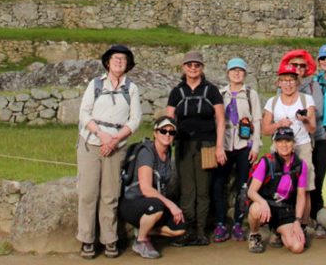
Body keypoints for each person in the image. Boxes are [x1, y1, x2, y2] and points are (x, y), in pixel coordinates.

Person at [76, 44, 142, 259]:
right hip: (92, 144)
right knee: (87, 193)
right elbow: (84, 114)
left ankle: (109, 238)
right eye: (115, 58)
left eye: (123, 59)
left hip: (116, 146)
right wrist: (102, 135)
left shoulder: (131, 88)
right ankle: (87, 238)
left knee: (110, 195)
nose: (119, 62)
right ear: (107, 62)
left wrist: (115, 139)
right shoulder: (95, 85)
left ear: (127, 64)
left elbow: (135, 119)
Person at [166, 51, 227, 246]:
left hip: (207, 144)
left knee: (203, 189)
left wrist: (219, 147)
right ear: (183, 67)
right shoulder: (177, 92)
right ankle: (188, 229)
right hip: (183, 145)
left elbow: (220, 120)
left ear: (202, 67)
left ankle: (201, 231)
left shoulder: (211, 91)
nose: (193, 68)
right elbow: (169, 121)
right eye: (190, 65)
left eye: (197, 65)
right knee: (187, 189)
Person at [119, 116, 186, 259]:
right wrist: (171, 205)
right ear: (155, 133)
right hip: (133, 201)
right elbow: (146, 188)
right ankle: (141, 241)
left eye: (171, 132)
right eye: (163, 131)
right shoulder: (146, 153)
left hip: (152, 203)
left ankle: (145, 229)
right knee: (157, 206)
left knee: (180, 227)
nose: (167, 135)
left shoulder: (167, 153)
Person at [261, 63, 316, 239]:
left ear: (297, 82)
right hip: (280, 145)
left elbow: (313, 128)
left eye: (291, 80)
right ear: (279, 83)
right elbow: (265, 130)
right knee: (277, 186)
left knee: (305, 188)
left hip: (302, 144)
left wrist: (305, 119)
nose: (288, 84)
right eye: (284, 80)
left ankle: (303, 225)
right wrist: (279, 124)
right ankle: (279, 225)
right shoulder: (273, 102)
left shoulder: (307, 100)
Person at [211, 57, 262, 242]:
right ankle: (220, 222)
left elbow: (257, 120)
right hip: (224, 145)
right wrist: (218, 147)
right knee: (218, 184)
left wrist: (255, 147)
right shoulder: (220, 94)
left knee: (243, 186)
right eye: (233, 70)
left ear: (245, 74)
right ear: (228, 74)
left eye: (240, 70)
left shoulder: (251, 94)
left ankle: (239, 222)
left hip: (243, 144)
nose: (237, 73)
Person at [279, 49, 326, 236]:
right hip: (291, 140)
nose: (298, 68)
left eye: (302, 65)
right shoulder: (285, 84)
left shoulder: (313, 87)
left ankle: (315, 218)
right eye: (295, 64)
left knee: (313, 180)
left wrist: (304, 114)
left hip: (314, 137)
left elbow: (318, 111)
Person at [246, 126, 307, 254]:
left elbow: (301, 196)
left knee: (298, 247)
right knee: (256, 208)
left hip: (284, 209)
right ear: (275, 143)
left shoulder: (301, 165)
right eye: (280, 141)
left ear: (293, 144)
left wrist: (297, 221)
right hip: (265, 206)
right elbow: (251, 192)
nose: (284, 145)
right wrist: (263, 203)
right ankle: (254, 234)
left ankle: (277, 231)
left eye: (288, 141)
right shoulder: (267, 161)